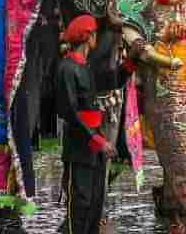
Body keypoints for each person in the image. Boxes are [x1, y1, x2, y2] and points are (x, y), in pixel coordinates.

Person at [55, 15, 135, 234]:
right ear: (87, 37)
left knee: (95, 204)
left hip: (95, 148)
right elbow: (69, 112)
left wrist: (130, 63)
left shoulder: (87, 67)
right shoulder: (67, 69)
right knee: (80, 204)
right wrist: (98, 140)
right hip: (80, 147)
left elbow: (112, 81)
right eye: (94, 34)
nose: (97, 38)